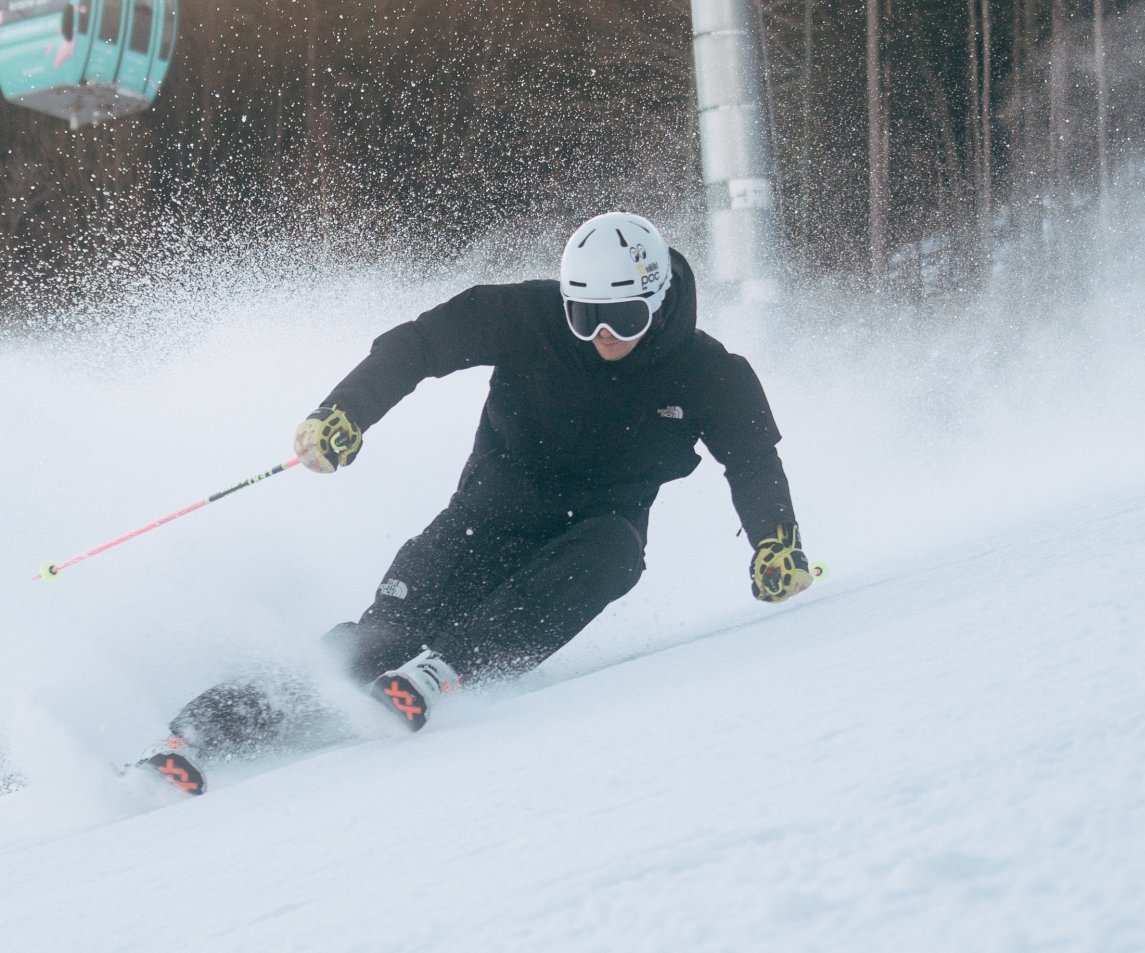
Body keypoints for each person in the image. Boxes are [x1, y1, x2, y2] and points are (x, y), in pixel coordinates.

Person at [136, 211, 812, 796]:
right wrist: (346, 411)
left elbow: (754, 461)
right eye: (586, 316)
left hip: (584, 546)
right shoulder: (526, 317)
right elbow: (419, 345)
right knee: (374, 646)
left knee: (617, 552)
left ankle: (443, 672)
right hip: (478, 525)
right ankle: (190, 739)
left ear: (658, 301)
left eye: (624, 316)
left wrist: (776, 543)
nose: (604, 334)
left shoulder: (711, 374)